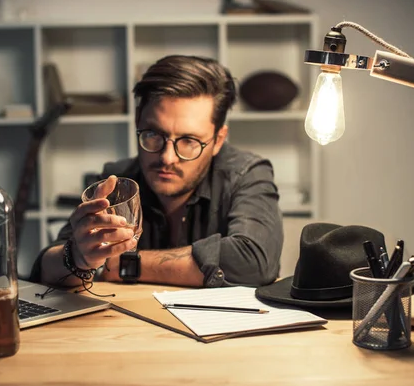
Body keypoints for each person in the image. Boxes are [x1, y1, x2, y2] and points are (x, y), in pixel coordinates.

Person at [29, 55, 283, 289]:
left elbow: (255, 261)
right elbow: (45, 270)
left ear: (218, 140)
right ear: (138, 122)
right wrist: (77, 256)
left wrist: (126, 265)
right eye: (153, 135)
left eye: (189, 141)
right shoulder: (117, 180)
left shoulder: (247, 174)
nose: (167, 158)